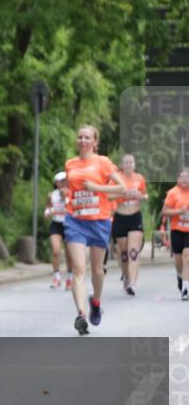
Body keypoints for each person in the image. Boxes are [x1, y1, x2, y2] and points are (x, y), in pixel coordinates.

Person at [63, 126, 125, 335]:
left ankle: (96, 302)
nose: (82, 140)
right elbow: (72, 191)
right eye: (80, 136)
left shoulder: (103, 162)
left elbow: (121, 188)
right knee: (78, 268)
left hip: (99, 221)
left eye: (87, 137)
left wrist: (97, 188)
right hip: (75, 220)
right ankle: (81, 314)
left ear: (95, 142)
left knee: (98, 270)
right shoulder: (70, 164)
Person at [110, 154, 148, 295]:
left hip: (135, 217)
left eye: (131, 162)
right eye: (126, 162)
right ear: (122, 165)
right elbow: (108, 196)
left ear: (134, 164)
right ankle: (126, 276)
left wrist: (141, 196)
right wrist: (122, 195)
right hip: (120, 217)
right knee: (124, 254)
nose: (128, 164)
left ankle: (133, 283)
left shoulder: (139, 178)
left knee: (133, 252)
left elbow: (145, 194)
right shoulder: (116, 178)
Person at [161, 167, 189, 301]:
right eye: (182, 177)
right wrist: (178, 211)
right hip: (177, 229)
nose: (184, 179)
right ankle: (180, 276)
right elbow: (164, 212)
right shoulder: (173, 193)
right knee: (178, 261)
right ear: (178, 179)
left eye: (187, 177)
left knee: (187, 256)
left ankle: (185, 289)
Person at [44, 172, 73, 289]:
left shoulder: (71, 193)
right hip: (56, 224)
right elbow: (48, 209)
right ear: (56, 183)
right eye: (61, 181)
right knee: (56, 251)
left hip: (69, 224)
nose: (64, 183)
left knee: (69, 254)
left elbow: (73, 207)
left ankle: (70, 278)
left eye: (65, 181)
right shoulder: (51, 195)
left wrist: (66, 198)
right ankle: (57, 277)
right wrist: (48, 213)